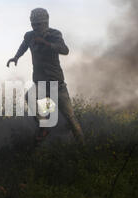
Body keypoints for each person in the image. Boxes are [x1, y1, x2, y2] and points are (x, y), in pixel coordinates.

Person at [6, 8, 84, 143]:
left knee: (71, 118)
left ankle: (84, 147)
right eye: (33, 24)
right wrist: (16, 57)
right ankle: (44, 126)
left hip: (57, 85)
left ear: (45, 23)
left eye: (38, 24)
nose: (35, 27)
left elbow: (65, 50)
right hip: (40, 83)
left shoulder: (54, 34)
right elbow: (24, 46)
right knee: (29, 97)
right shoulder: (29, 36)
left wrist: (46, 43)